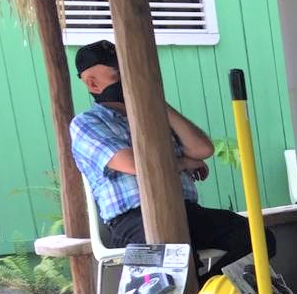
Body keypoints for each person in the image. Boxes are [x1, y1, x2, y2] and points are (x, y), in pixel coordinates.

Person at [69, 39, 274, 274]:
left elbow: (203, 149)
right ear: (93, 83)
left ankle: (206, 291)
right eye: (119, 74)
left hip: (185, 211)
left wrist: (156, 103)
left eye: (131, 72)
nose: (130, 79)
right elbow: (134, 165)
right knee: (176, 254)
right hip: (133, 220)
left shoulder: (154, 117)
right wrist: (184, 163)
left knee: (259, 239)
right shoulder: (87, 123)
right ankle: (193, 291)